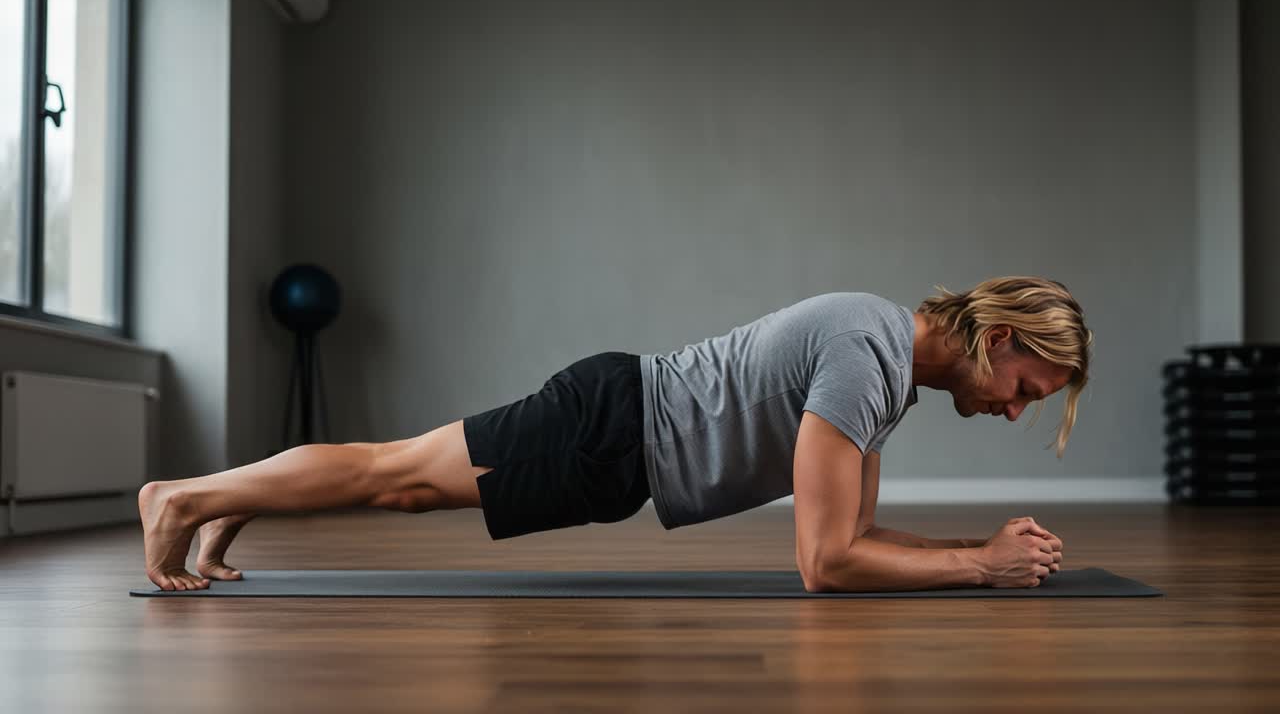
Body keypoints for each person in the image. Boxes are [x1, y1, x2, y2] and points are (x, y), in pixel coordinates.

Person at [139, 275, 1091, 593]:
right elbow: (826, 561)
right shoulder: (867, 351)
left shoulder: (886, 374)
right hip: (611, 429)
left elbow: (859, 544)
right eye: (1023, 388)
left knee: (399, 475)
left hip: (618, 441)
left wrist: (981, 551)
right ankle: (183, 498)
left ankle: (225, 504)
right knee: (398, 478)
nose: (1015, 409)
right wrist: (979, 566)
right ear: (998, 339)